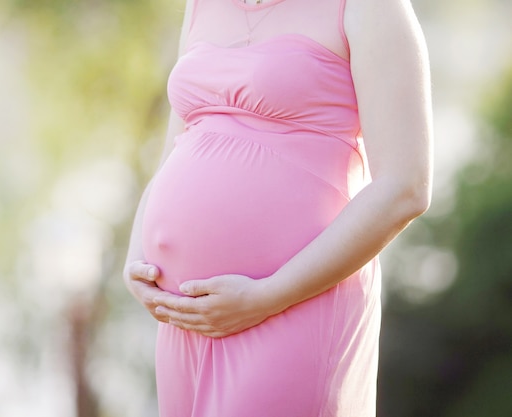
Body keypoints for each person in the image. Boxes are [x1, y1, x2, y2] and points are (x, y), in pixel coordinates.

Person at [124, 0, 432, 415]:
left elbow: (405, 187)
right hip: (187, 319)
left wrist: (267, 296)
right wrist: (136, 259)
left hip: (292, 302)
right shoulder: (202, 5)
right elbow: (174, 153)